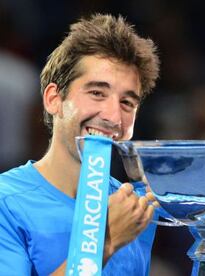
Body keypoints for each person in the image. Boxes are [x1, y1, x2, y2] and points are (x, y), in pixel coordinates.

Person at [0, 14, 160, 275]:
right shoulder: (5, 202)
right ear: (54, 99)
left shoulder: (135, 207)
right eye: (97, 93)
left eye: (127, 103)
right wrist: (105, 243)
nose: (113, 116)